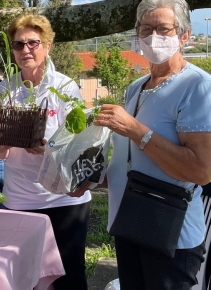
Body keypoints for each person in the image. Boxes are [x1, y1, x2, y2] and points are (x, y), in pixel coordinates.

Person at [94, 0, 211, 288]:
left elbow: (201, 170)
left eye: (163, 29)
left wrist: (135, 129)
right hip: (129, 221)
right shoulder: (137, 86)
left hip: (170, 232)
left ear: (184, 35)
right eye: (146, 29)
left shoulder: (198, 86)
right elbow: (134, 157)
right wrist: (98, 176)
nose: (153, 37)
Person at [0, 14, 90, 290]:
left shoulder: (65, 87)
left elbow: (81, 146)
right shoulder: (3, 91)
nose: (25, 50)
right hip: (19, 201)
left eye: (33, 43)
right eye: (18, 45)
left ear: (48, 45)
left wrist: (49, 149)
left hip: (62, 201)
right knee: (24, 278)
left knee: (69, 279)